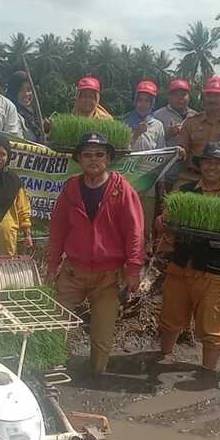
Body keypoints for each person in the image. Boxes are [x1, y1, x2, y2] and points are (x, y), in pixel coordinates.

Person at [48, 132, 144, 375]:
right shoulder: (71, 188)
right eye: (87, 155)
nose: (93, 160)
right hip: (73, 272)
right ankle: (53, 371)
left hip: (108, 277)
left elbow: (135, 231)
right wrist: (52, 265)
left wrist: (133, 269)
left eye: (99, 155)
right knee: (55, 324)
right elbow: (58, 229)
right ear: (79, 159)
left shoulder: (121, 189)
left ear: (108, 159)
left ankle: (96, 377)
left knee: (102, 336)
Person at [158, 142, 220, 370]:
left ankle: (207, 372)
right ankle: (163, 358)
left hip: (215, 270)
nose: (212, 167)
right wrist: (163, 224)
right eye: (208, 162)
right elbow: (165, 222)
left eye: (219, 163)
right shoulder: (184, 192)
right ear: (200, 165)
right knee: (170, 319)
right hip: (181, 265)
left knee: (212, 327)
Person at [176, 75, 220, 188]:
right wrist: (179, 152)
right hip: (191, 179)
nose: (212, 99)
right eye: (208, 95)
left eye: (217, 95)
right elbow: (180, 153)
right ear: (203, 97)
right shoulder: (190, 123)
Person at [124, 80, 166, 151]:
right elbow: (122, 148)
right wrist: (137, 133)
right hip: (130, 161)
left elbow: (161, 149)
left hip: (151, 161)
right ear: (135, 101)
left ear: (152, 103)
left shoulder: (158, 125)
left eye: (147, 101)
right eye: (140, 100)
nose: (143, 104)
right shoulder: (126, 122)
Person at [153, 79, 196, 147]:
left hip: (191, 156)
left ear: (189, 97)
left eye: (184, 94)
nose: (180, 98)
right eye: (176, 95)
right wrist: (169, 134)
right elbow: (152, 142)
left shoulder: (195, 116)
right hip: (168, 156)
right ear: (169, 97)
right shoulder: (158, 115)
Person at [5, 70, 44, 142]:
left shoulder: (35, 114)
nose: (26, 94)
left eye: (29, 90)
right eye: (20, 90)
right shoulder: (11, 114)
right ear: (14, 92)